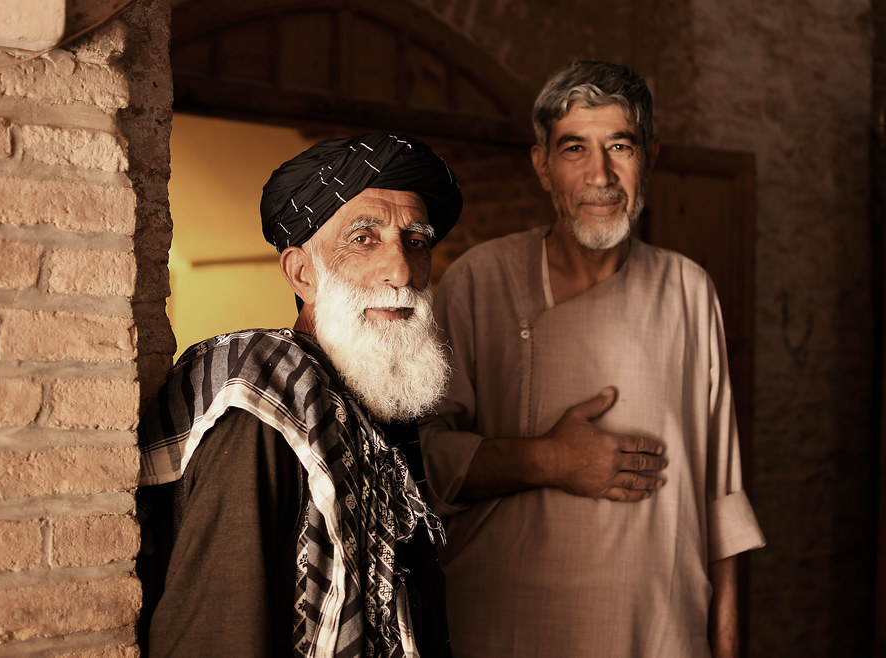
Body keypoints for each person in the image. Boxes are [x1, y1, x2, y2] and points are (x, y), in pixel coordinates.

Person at [418, 60, 766, 658]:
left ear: (649, 157)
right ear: (543, 166)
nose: (600, 174)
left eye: (620, 146)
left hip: (661, 628)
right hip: (507, 628)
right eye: (574, 147)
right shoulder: (480, 280)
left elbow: (721, 491)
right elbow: (422, 463)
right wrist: (548, 459)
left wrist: (726, 643)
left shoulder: (688, 289)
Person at [136, 133, 463, 657]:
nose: (401, 271)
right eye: (364, 239)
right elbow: (219, 634)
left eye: (416, 242)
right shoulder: (264, 410)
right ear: (302, 272)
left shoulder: (378, 406)